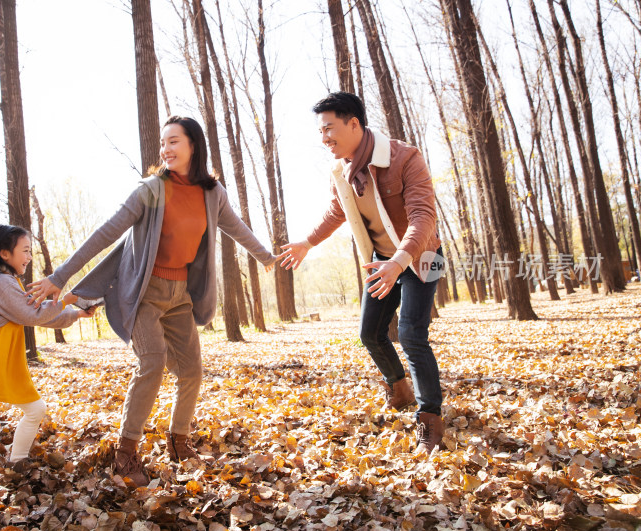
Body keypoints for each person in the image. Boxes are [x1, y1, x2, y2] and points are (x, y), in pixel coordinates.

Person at [26, 116, 276, 485]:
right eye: (163, 143)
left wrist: (269, 258)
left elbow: (237, 228)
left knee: (191, 370)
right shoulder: (150, 190)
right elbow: (106, 232)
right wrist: (59, 276)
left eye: (174, 141)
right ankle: (125, 451)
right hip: (143, 293)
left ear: (194, 145)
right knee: (153, 365)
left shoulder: (212, 194)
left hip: (180, 297)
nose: (166, 149)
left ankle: (179, 439)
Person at [278, 92, 445, 454]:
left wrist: (398, 263)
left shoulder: (405, 158)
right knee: (370, 333)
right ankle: (399, 390)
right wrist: (308, 242)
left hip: (421, 257)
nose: (324, 139)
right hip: (380, 261)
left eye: (329, 129)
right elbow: (337, 211)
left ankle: (430, 418)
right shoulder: (343, 170)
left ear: (354, 124)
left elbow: (423, 217)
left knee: (412, 334)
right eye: (321, 132)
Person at [0, 224, 95, 512]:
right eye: (25, 251)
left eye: (30, 251)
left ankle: (16, 461)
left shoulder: (5, 280)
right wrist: (70, 299)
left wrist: (75, 313)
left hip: (2, 359)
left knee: (34, 409)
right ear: (4, 253)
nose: (29, 257)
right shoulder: (1, 282)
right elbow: (31, 314)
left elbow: (34, 314)